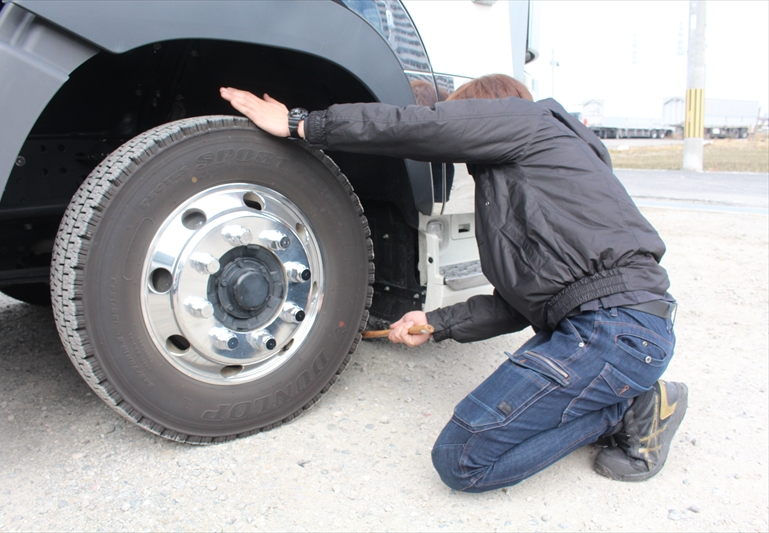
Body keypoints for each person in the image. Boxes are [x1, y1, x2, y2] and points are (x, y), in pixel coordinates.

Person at [219, 74, 688, 492]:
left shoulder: (528, 122)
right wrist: (434, 322)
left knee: (461, 461)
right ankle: (624, 392)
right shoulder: (540, 181)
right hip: (610, 332)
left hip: (613, 332)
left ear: (483, 116)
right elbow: (519, 306)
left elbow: (421, 126)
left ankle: (628, 407)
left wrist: (303, 124)